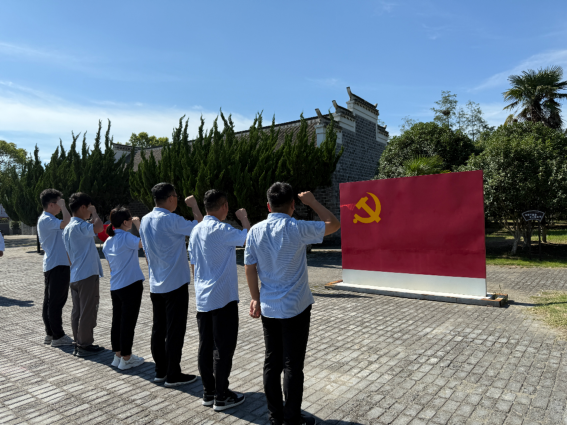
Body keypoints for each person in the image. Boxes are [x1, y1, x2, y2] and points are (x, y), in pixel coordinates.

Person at [245, 183, 341, 426]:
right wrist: (313, 202)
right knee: (292, 365)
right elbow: (333, 224)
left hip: (269, 307)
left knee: (272, 362)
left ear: (268, 206)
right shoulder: (297, 228)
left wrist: (255, 297)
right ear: (292, 205)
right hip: (296, 307)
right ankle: (292, 418)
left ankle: (275, 416)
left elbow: (249, 267)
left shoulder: (255, 231)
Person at [188, 190, 250, 411]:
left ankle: (209, 392)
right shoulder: (223, 229)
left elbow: (192, 262)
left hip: (203, 298)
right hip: (223, 297)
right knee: (223, 348)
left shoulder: (196, 230)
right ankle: (221, 396)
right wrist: (244, 218)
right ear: (224, 206)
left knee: (205, 346)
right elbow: (249, 240)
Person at [140, 182, 203, 387]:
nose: (177, 199)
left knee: (159, 329)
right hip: (175, 283)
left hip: (156, 283)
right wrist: (194, 206)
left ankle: (160, 370)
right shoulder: (172, 220)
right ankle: (173, 374)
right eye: (176, 196)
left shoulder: (145, 220)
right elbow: (201, 228)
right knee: (175, 330)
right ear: (170, 198)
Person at [102, 206, 146, 371]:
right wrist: (139, 225)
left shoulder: (108, 241)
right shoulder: (127, 237)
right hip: (131, 285)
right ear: (126, 222)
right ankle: (126, 358)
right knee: (128, 322)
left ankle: (118, 355)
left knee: (118, 320)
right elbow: (146, 243)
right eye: (130, 219)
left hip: (116, 285)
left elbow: (110, 266)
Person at [63, 193, 105, 358]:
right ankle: (84, 344)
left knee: (77, 311)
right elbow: (99, 228)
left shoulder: (68, 228)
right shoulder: (80, 226)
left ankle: (78, 341)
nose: (90, 211)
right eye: (89, 208)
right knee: (88, 309)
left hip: (75, 274)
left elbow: (68, 255)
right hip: (87, 274)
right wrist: (95, 212)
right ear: (83, 207)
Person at [37, 189, 73, 347]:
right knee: (56, 302)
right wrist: (65, 207)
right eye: (59, 203)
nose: (60, 206)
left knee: (50, 301)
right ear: (51, 204)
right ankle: (58, 336)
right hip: (57, 264)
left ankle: (50, 333)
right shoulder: (47, 219)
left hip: (54, 263)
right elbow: (67, 222)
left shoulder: (48, 219)